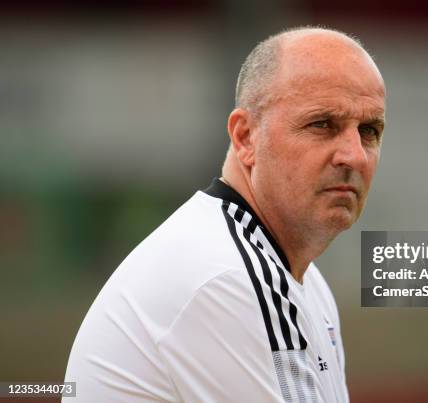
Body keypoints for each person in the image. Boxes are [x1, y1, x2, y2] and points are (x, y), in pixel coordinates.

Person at [63, 26, 386, 402]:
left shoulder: (301, 280)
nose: (355, 155)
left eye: (369, 130)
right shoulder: (227, 278)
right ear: (246, 137)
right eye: (322, 124)